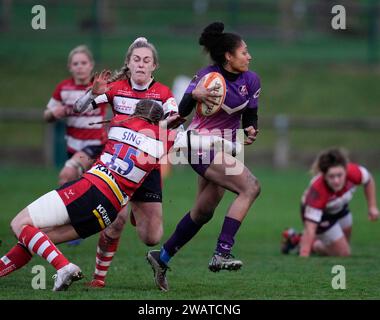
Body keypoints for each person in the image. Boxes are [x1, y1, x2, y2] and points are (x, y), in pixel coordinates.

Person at [0, 100, 182, 290]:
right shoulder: (164, 142)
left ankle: (64, 267)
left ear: (135, 113)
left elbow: (92, 111)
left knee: (19, 224)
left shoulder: (119, 122)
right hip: (109, 210)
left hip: (91, 189)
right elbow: (199, 140)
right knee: (36, 240)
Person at [146, 21, 262, 291]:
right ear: (228, 56)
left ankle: (161, 257)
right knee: (251, 187)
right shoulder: (207, 77)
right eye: (244, 52)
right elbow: (179, 116)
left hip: (227, 147)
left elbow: (250, 114)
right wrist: (192, 95)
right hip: (199, 145)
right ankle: (222, 252)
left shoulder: (252, 80)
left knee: (204, 211)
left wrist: (251, 128)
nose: (249, 56)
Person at [73, 37, 181, 288]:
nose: (141, 65)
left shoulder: (164, 94)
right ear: (128, 64)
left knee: (152, 237)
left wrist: (168, 132)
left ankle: (135, 208)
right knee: (115, 222)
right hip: (116, 167)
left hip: (147, 169)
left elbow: (177, 125)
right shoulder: (116, 88)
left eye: (146, 61)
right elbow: (79, 109)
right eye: (136, 60)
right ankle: (98, 279)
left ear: (154, 66)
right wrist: (93, 92)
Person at [281, 148, 379, 257]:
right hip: (321, 215)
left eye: (339, 175)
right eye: (332, 176)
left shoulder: (353, 172)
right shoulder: (318, 191)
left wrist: (372, 207)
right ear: (324, 175)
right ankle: (301, 242)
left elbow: (368, 180)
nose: (336, 181)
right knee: (343, 253)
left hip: (340, 208)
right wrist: (304, 255)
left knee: (344, 245)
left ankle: (300, 239)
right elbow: (310, 228)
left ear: (345, 170)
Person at [43, 45, 108, 186]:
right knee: (84, 186)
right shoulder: (63, 88)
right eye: (75, 64)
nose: (79, 67)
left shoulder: (99, 88)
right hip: (72, 146)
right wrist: (53, 113)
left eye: (83, 63)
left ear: (91, 65)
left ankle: (61, 207)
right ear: (70, 67)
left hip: (95, 144)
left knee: (66, 175)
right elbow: (46, 115)